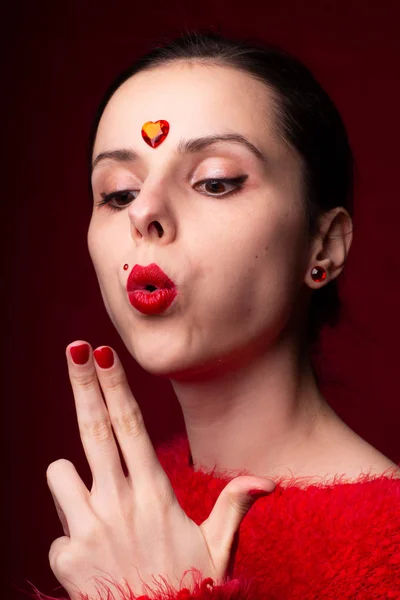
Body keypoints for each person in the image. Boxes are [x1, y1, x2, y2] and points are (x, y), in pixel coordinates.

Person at [30, 29, 400, 600]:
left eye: (215, 182)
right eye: (119, 193)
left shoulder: (389, 548)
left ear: (323, 246)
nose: (145, 213)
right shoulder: (126, 517)